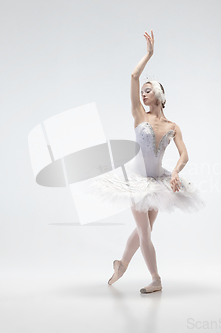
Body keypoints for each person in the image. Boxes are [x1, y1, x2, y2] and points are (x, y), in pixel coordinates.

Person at [89, 30, 205, 293]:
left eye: (148, 91)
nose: (143, 94)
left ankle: (122, 264)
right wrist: (149, 54)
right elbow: (133, 76)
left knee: (145, 231)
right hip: (136, 181)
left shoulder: (173, 126)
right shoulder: (139, 115)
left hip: (158, 182)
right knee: (145, 233)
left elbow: (184, 154)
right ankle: (156, 279)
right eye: (142, 91)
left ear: (160, 96)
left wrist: (175, 172)